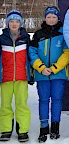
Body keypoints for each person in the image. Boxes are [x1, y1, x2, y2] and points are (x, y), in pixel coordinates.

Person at [29, 6, 69, 142]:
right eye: (48, 17)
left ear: (58, 18)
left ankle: (55, 127)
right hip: (42, 74)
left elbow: (66, 53)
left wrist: (55, 68)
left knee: (57, 99)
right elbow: (32, 52)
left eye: (54, 17)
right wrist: (41, 67)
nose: (51, 19)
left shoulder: (64, 34)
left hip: (58, 74)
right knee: (44, 100)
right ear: (45, 18)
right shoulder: (38, 34)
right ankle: (44, 127)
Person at [0, 10, 31, 142]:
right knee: (5, 105)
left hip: (21, 77)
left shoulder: (25, 38)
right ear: (7, 23)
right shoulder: (2, 39)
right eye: (11, 21)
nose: (14, 24)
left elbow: (31, 57)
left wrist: (31, 74)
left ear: (21, 23)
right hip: (5, 78)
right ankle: (6, 129)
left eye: (17, 21)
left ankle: (22, 131)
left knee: (21, 104)